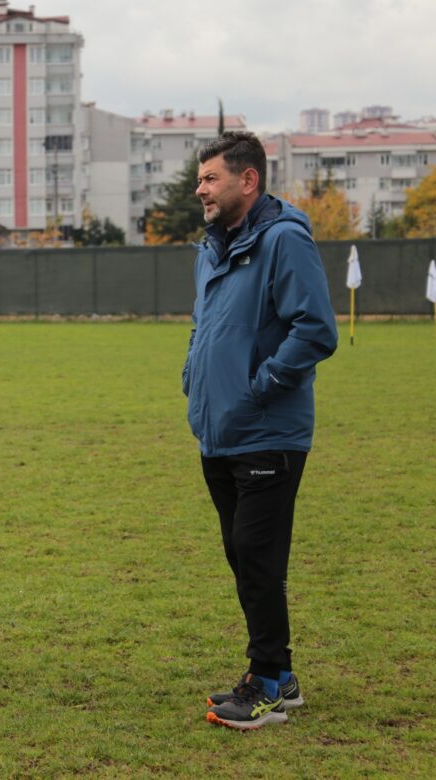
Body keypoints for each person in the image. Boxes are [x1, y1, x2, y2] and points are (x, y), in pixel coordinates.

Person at [183, 131, 337, 730]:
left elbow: (315, 329)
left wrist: (263, 384)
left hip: (269, 431)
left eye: (210, 178)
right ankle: (280, 674)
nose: (200, 188)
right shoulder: (212, 246)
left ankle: (267, 682)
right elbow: (205, 323)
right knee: (243, 555)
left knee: (257, 554)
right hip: (218, 429)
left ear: (248, 180)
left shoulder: (284, 240)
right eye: (199, 179)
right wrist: (194, 374)